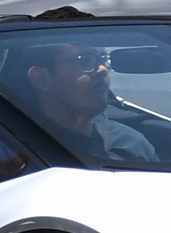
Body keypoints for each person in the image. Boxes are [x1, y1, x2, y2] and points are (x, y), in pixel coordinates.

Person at [22, 36, 155, 163]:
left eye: (102, 60)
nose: (102, 70)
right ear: (41, 79)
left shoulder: (132, 145)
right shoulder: (15, 150)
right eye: (84, 60)